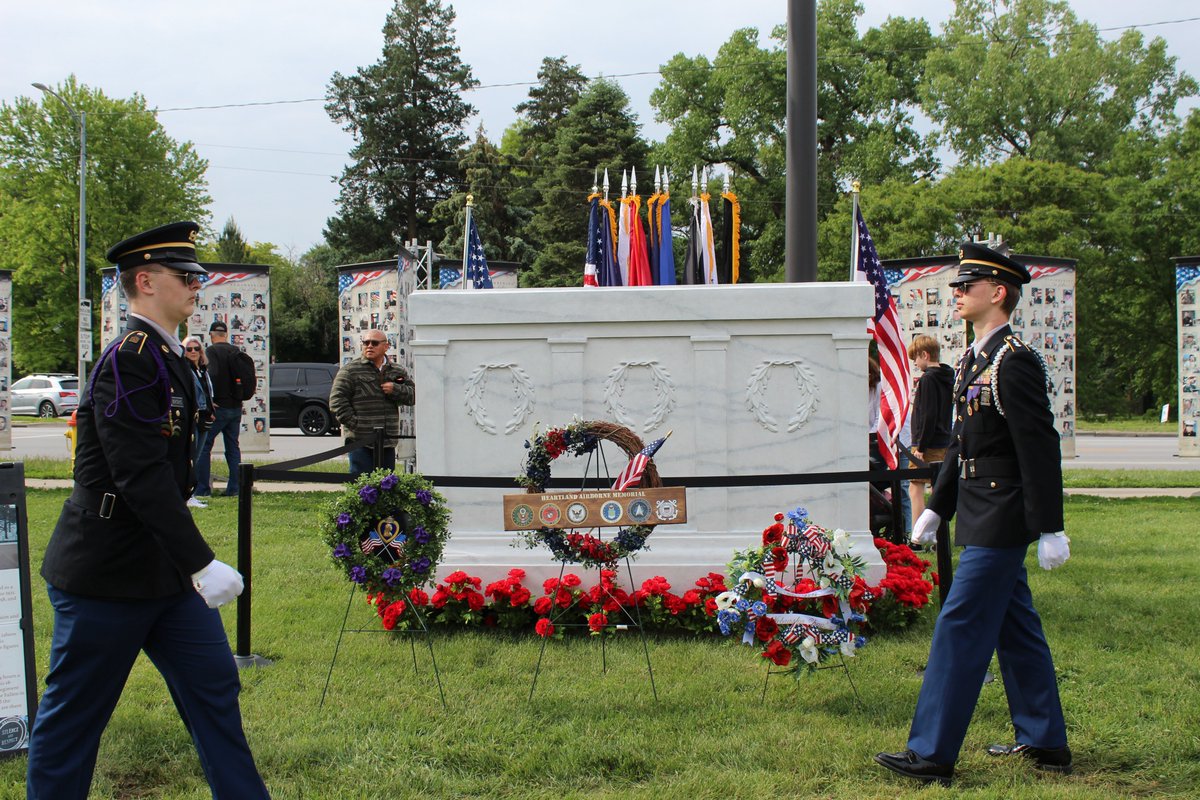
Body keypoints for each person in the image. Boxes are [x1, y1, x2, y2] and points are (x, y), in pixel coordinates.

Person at [26, 221, 269, 799]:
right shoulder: (130, 359)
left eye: (197, 275)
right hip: (106, 573)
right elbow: (139, 474)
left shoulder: (169, 356)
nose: (196, 285)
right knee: (74, 719)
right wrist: (203, 562)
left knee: (214, 691)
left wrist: (187, 566)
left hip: (163, 574)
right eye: (184, 276)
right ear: (144, 281)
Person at [875, 242, 1071, 786]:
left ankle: (931, 753)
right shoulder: (972, 359)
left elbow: (1038, 446)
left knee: (959, 625)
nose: (956, 293)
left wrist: (1051, 526)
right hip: (980, 509)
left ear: (998, 293)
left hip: (1005, 514)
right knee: (1017, 627)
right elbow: (964, 445)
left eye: (967, 286)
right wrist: (937, 508)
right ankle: (1045, 738)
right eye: (957, 286)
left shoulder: (1015, 361)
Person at [330, 329, 414, 480]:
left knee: (386, 486)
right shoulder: (350, 370)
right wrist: (356, 424)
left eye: (374, 343)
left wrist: (396, 389)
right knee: (362, 486)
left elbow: (413, 396)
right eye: (366, 343)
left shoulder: (397, 371)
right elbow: (337, 401)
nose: (369, 346)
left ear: (386, 346)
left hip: (387, 440)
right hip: (360, 441)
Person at [906, 334, 954, 525]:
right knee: (938, 489)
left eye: (915, 358)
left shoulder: (927, 379)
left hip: (927, 444)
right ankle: (939, 533)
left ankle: (919, 533)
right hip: (944, 439)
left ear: (924, 355)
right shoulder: (948, 376)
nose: (915, 363)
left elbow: (928, 415)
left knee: (915, 487)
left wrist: (921, 447)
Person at [196, 320, 244, 498]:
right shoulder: (235, 351)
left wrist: (211, 400)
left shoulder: (211, 351)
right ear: (226, 334)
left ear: (211, 334)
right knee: (233, 448)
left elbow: (213, 375)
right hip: (236, 408)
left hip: (219, 408)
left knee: (204, 446)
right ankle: (235, 489)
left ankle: (202, 489)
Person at [183, 335, 216, 509]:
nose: (193, 352)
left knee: (196, 457)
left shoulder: (202, 370)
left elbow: (206, 392)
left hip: (205, 417)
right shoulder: (184, 370)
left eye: (196, 349)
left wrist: (211, 408)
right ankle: (188, 496)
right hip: (193, 418)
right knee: (190, 457)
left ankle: (191, 494)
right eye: (189, 349)